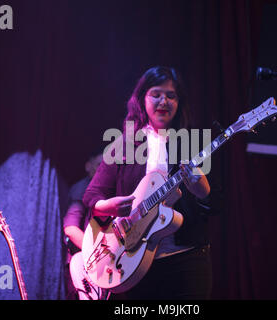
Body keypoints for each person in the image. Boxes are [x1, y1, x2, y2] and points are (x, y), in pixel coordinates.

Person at [82, 66, 216, 300]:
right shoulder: (124, 145)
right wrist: (109, 206)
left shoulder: (192, 143)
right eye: (156, 93)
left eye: (171, 95)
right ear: (142, 98)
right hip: (132, 264)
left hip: (186, 261)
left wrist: (202, 190)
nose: (164, 100)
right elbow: (92, 196)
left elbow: (216, 203)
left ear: (179, 102)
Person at [62, 150, 103, 300]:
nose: (103, 170)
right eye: (99, 165)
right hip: (82, 266)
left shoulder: (104, 190)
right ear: (88, 166)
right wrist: (100, 255)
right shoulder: (82, 189)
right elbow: (71, 229)